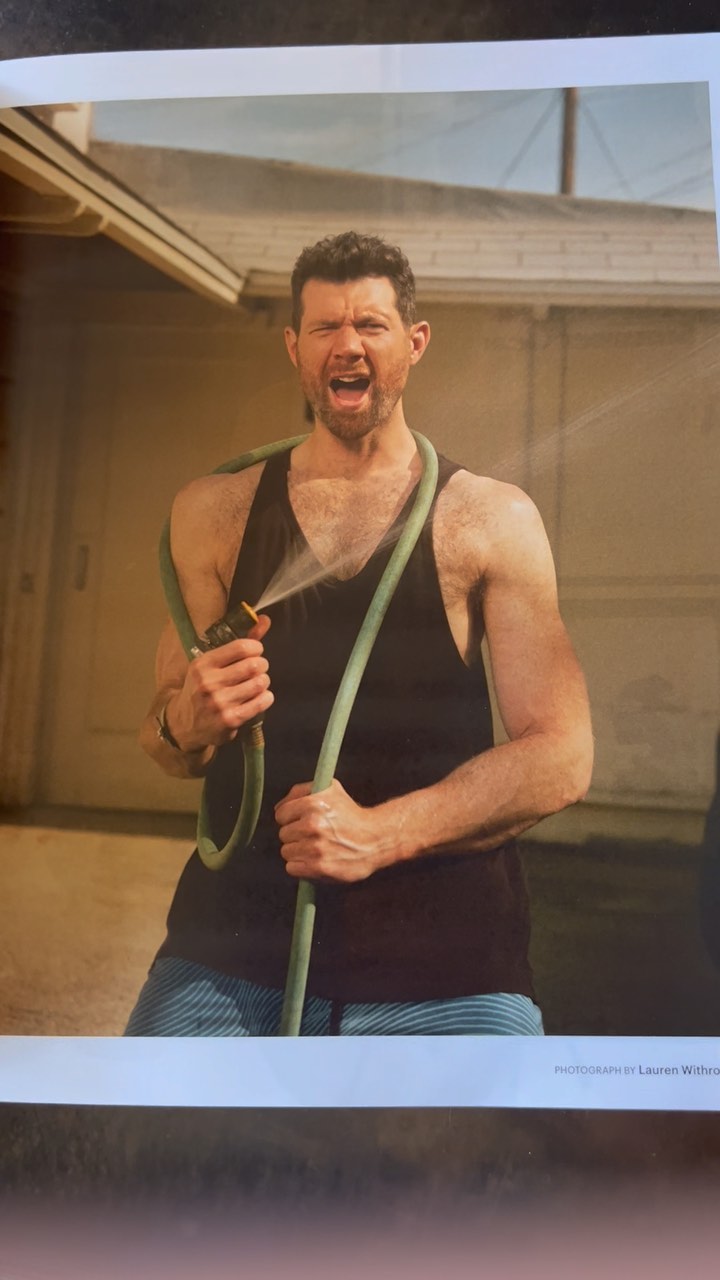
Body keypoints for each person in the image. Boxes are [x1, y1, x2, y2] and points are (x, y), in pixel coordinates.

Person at [126, 231, 593, 1037]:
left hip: (444, 964)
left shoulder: (489, 519)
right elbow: (166, 745)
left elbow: (562, 754)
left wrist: (381, 833)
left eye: (371, 324)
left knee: (500, 1121)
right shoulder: (214, 513)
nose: (347, 345)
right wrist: (188, 720)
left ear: (415, 343)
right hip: (232, 950)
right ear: (294, 348)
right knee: (137, 1115)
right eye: (325, 327)